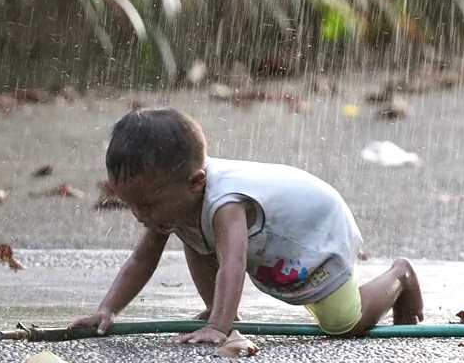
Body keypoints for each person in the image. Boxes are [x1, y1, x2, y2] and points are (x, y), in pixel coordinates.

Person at [70, 107, 423, 345]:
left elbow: (233, 263)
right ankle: (221, 308)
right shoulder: (176, 198)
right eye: (129, 203)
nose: (138, 214)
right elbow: (141, 261)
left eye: (147, 204)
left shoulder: (226, 204)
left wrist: (218, 329)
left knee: (344, 323)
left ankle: (400, 276)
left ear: (196, 181)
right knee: (190, 233)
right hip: (276, 240)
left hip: (315, 234)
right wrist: (108, 309)